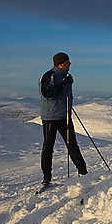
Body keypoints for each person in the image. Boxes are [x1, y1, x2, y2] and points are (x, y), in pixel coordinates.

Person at [38, 52, 87, 187]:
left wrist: (66, 83)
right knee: (48, 147)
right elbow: (46, 94)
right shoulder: (48, 76)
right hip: (50, 117)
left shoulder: (67, 76)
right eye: (67, 62)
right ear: (60, 63)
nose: (70, 64)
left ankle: (83, 171)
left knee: (72, 145)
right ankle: (46, 177)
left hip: (64, 116)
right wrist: (62, 85)